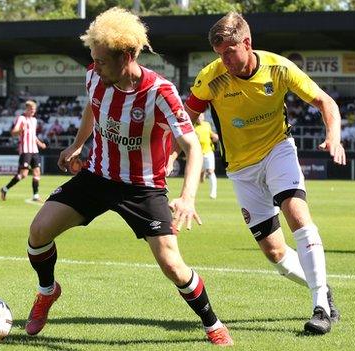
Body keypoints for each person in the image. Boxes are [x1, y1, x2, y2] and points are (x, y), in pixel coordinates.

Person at [22, 8, 233, 346]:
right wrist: (78, 145)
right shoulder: (95, 75)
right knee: (38, 232)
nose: (96, 66)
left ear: (129, 55)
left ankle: (212, 322)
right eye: (94, 59)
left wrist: (188, 196)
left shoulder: (160, 92)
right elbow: (92, 106)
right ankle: (47, 291)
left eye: (103, 60)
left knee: (171, 263)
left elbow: (192, 147)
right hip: (97, 177)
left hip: (142, 187)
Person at [185, 12, 346, 335]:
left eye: (230, 52)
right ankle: (322, 288)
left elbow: (325, 101)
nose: (225, 61)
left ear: (247, 43)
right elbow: (185, 117)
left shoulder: (279, 68)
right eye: (220, 55)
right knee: (274, 252)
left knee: (296, 212)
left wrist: (334, 136)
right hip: (241, 169)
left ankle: (320, 308)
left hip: (278, 150)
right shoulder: (211, 77)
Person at [0, 100, 47, 201]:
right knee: (23, 174)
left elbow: (33, 135)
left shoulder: (34, 120)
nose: (33, 112)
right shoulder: (21, 118)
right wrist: (20, 129)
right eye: (32, 110)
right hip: (25, 150)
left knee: (37, 172)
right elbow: (13, 132)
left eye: (34, 110)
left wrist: (40, 143)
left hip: (34, 150)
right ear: (27, 109)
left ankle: (35, 195)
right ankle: (4, 189)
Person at [167, 113, 219, 199]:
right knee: (198, 174)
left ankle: (213, 193)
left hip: (208, 152)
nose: (200, 118)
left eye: (201, 116)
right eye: (198, 116)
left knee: (210, 171)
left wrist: (215, 137)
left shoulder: (207, 125)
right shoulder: (192, 127)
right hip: (197, 154)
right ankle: (202, 174)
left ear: (204, 117)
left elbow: (211, 134)